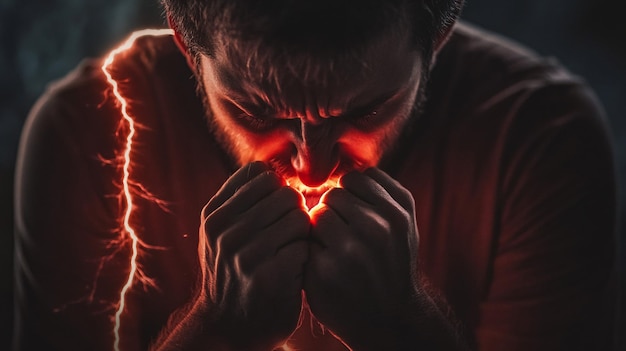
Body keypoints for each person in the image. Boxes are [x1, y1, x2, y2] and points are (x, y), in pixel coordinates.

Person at [13, 0, 617, 350]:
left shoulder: (538, 132)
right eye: (254, 111)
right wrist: (218, 329)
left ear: (436, 41)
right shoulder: (87, 129)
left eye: (364, 111)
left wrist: (401, 324)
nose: (313, 165)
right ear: (185, 43)